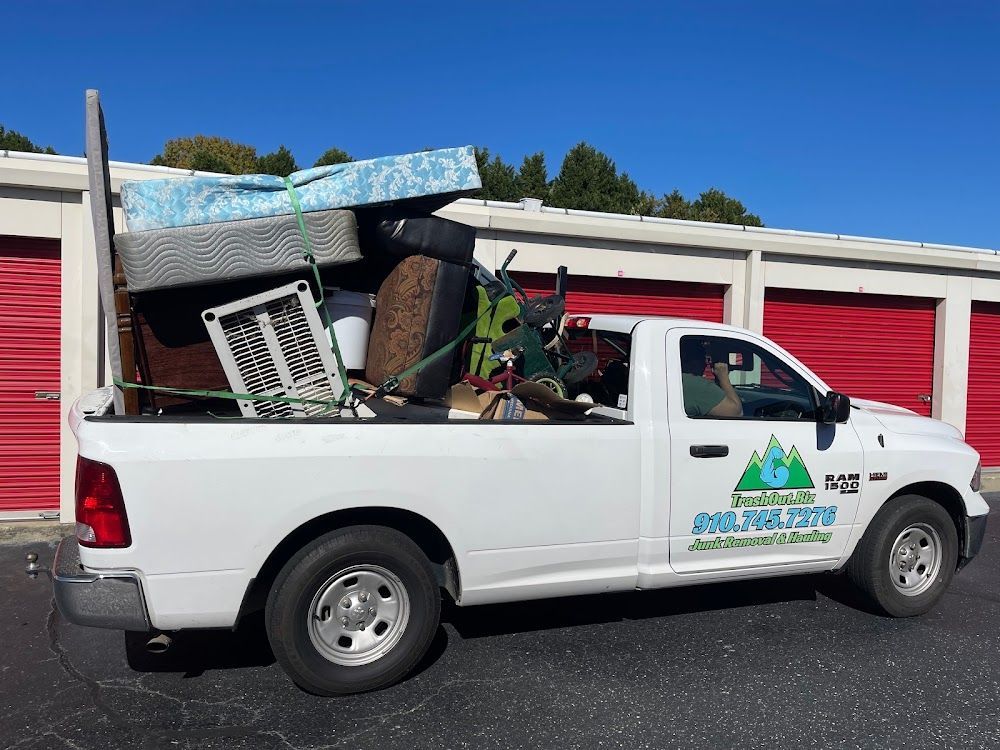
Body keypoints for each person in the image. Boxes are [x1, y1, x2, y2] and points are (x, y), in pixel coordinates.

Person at [680, 338, 743, 417]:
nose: (706, 364)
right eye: (704, 358)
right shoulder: (696, 386)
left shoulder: (671, 380)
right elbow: (736, 413)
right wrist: (723, 377)